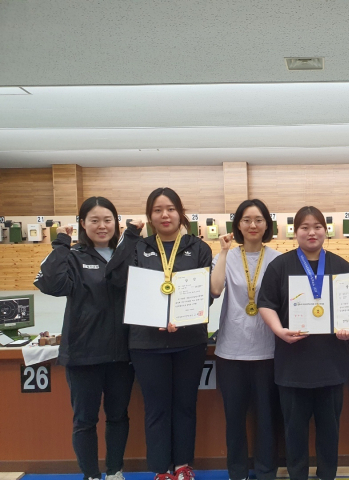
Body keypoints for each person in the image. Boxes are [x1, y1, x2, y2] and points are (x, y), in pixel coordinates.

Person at [106, 187, 213, 480]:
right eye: (157, 210)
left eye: (170, 209)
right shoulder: (139, 247)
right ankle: (161, 469)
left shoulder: (199, 247)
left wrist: (183, 317)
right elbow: (118, 280)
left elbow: (206, 293)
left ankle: (182, 465)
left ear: (180, 212)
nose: (164, 215)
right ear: (149, 216)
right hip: (146, 342)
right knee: (156, 408)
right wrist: (129, 237)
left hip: (188, 339)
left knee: (185, 405)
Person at [34, 196, 134, 480]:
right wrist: (61, 243)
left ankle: (115, 471)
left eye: (108, 220)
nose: (102, 226)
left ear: (116, 223)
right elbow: (51, 284)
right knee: (84, 421)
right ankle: (90, 475)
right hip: (83, 355)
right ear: (82, 224)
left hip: (121, 354)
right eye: (94, 220)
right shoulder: (74, 256)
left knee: (118, 417)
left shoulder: (127, 254)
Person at [257, 206, 349, 480]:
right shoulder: (280, 265)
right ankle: (297, 475)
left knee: (329, 431)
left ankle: (327, 475)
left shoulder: (341, 266)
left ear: (326, 230)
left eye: (317, 227)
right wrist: (279, 330)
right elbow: (265, 304)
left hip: (331, 363)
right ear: (295, 232)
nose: (311, 232)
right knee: (294, 431)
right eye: (304, 227)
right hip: (293, 365)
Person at [210, 199, 281, 480]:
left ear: (267, 224)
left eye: (259, 220)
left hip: (268, 351)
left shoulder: (277, 259)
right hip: (231, 351)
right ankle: (237, 472)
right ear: (238, 225)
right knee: (234, 419)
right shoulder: (226, 256)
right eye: (247, 220)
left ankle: (266, 472)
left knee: (267, 418)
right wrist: (223, 252)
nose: (253, 225)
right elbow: (215, 290)